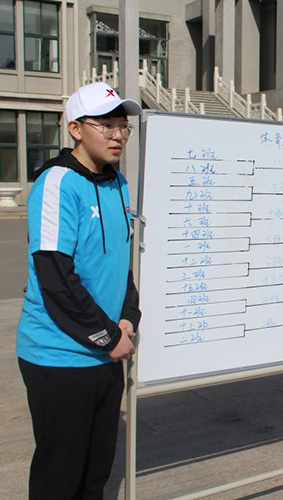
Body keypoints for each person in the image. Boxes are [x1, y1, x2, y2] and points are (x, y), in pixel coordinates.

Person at [17, 81, 142, 499]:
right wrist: (107, 336)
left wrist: (128, 317)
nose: (118, 135)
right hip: (59, 356)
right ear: (75, 129)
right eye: (106, 125)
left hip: (106, 351)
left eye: (123, 126)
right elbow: (54, 276)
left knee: (95, 472)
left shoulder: (117, 183)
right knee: (60, 476)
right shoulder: (56, 183)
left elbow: (120, 263)